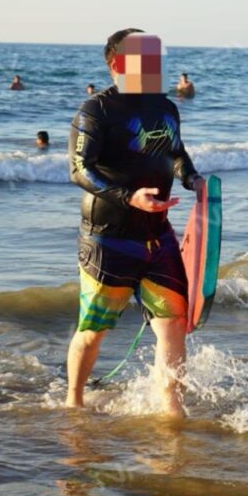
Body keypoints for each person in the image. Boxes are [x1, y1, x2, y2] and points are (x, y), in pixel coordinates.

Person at [66, 28, 205, 419]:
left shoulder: (165, 107)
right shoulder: (96, 111)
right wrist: (129, 198)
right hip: (108, 239)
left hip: (157, 236)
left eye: (156, 59)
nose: (155, 67)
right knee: (94, 330)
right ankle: (73, 402)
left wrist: (192, 179)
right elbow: (79, 169)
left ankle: (171, 410)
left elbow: (176, 152)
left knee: (173, 323)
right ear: (117, 64)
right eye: (146, 60)